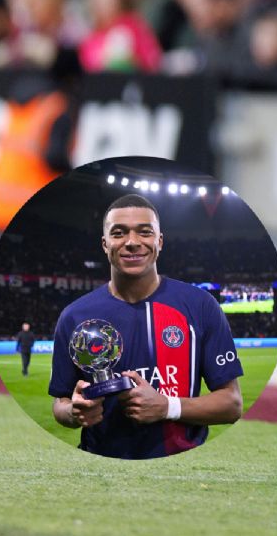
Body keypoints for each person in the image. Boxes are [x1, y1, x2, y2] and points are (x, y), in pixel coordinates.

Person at [49, 193, 243, 459]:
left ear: (159, 241)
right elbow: (60, 402)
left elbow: (232, 404)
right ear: (105, 244)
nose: (132, 242)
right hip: (98, 463)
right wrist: (74, 412)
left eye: (144, 232)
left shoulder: (200, 305)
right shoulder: (74, 316)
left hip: (180, 462)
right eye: (119, 233)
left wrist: (167, 407)